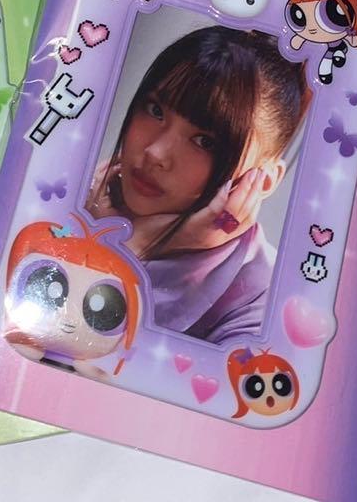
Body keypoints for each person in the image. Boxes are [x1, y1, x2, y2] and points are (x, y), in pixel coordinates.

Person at [86, 26, 309, 344]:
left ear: (263, 181)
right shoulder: (90, 194)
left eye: (204, 141)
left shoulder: (268, 305)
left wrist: (129, 250)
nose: (155, 153)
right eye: (155, 110)